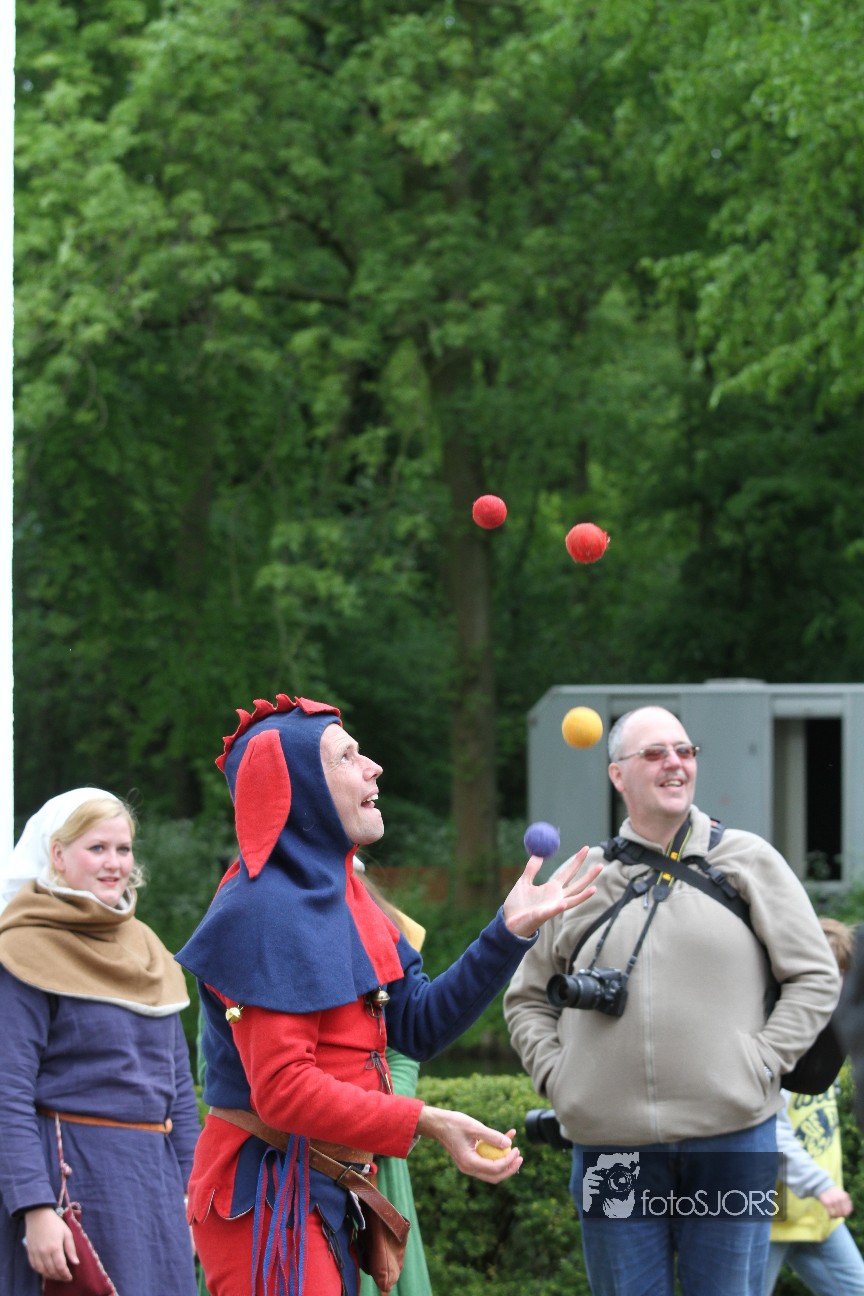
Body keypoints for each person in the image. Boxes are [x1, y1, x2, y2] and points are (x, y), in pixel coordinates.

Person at [176, 693, 602, 1296]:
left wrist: (507, 932)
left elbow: (418, 1026)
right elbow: (283, 1089)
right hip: (267, 1196)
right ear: (300, 789)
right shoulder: (260, 910)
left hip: (329, 1186)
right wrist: (427, 1120)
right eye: (347, 757)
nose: (373, 767)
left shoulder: (351, 897)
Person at [504, 705, 840, 1296]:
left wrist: (761, 1062)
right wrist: (561, 1077)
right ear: (618, 775)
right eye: (654, 753)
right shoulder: (583, 877)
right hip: (610, 1150)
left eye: (684, 751)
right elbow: (527, 998)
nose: (675, 763)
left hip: (733, 1141)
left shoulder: (749, 861)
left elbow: (816, 976)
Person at [0, 787, 200, 1296]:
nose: (114, 863)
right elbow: (8, 1093)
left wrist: (191, 1195)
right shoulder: (22, 948)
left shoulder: (148, 950)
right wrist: (34, 1207)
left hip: (154, 1188)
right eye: (97, 848)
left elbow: (178, 1090)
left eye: (123, 849)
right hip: (70, 1184)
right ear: (58, 855)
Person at [764, 917, 864, 1296]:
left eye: (843, 976)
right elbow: (770, 1130)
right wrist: (821, 1186)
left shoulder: (829, 1044)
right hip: (770, 1215)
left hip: (818, 1216)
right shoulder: (784, 1043)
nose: (837, 989)